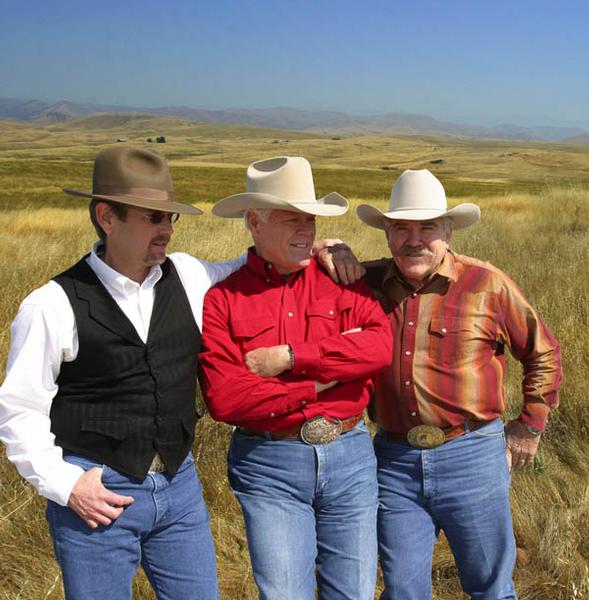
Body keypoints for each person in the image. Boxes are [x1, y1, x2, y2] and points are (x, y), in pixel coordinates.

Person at [0, 145, 250, 599]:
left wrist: (321, 250)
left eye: (170, 218)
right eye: (152, 217)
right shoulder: (52, 304)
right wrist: (66, 485)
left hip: (180, 487)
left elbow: (249, 269)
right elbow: (19, 410)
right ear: (107, 217)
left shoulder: (189, 275)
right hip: (97, 496)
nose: (166, 230)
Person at [353, 169, 563, 600]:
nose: (414, 239)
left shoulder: (487, 284)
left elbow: (542, 352)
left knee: (489, 586)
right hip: (393, 461)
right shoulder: (365, 284)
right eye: (401, 228)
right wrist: (324, 248)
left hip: (472, 456)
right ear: (387, 234)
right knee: (403, 588)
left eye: (427, 227)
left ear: (447, 231)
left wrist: (529, 425)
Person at [198, 156, 393, 600]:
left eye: (310, 219)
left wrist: (290, 358)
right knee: (285, 592)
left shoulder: (343, 281)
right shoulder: (223, 300)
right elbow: (227, 400)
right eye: (292, 219)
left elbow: (379, 347)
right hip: (270, 465)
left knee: (355, 593)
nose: (306, 230)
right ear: (254, 221)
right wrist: (322, 382)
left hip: (350, 455)